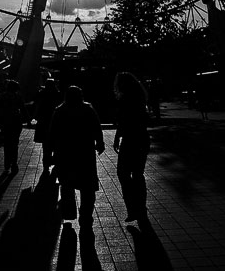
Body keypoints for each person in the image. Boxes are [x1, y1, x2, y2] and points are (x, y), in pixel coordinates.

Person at [49, 85, 105, 230]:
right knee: (87, 187)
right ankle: (86, 216)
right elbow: (96, 127)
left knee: (67, 184)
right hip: (85, 152)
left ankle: (69, 212)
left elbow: (53, 133)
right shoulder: (88, 109)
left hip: (65, 153)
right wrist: (99, 143)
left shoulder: (60, 111)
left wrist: (51, 152)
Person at [113, 72, 150, 224]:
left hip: (129, 140)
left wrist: (117, 137)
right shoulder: (140, 98)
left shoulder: (124, 99)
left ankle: (132, 208)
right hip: (142, 138)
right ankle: (140, 207)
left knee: (123, 173)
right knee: (138, 174)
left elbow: (123, 121)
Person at [0, 79, 29, 175]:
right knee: (14, 144)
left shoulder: (2, 96)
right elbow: (23, 108)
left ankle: (7, 163)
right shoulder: (17, 96)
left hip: (5, 122)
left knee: (7, 144)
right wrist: (28, 120)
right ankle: (14, 164)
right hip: (16, 122)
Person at [34, 78, 62, 170]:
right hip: (56, 123)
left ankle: (46, 164)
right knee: (57, 144)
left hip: (44, 122)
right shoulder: (57, 94)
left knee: (46, 146)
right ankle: (56, 161)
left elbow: (37, 107)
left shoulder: (41, 94)